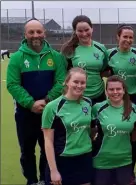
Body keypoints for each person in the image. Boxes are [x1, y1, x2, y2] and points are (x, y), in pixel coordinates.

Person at [6, 18, 66, 185]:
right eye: (31, 32)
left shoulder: (56, 57)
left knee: (48, 148)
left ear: (44, 33)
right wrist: (31, 103)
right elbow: (12, 84)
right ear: (25, 34)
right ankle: (32, 181)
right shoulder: (17, 58)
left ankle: (44, 179)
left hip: (50, 112)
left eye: (38, 31)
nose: (35, 35)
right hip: (25, 113)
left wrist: (47, 101)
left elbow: (61, 82)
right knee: (27, 151)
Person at [91, 75, 136, 185]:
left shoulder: (133, 108)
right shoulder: (97, 108)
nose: (115, 92)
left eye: (118, 89)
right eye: (111, 89)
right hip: (102, 161)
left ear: (124, 90)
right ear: (106, 91)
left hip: (124, 161)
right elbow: (90, 132)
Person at [42, 67, 92, 185]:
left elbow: (91, 130)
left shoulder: (88, 103)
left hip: (84, 158)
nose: (79, 85)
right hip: (62, 160)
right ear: (66, 82)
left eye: (82, 83)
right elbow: (48, 140)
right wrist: (53, 171)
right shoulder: (52, 107)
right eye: (75, 82)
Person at [107, 24, 136, 184]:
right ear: (118, 37)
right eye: (125, 36)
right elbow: (104, 72)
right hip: (115, 97)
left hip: (134, 97)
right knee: (114, 133)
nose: (128, 40)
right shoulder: (110, 54)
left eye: (130, 37)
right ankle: (111, 169)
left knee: (133, 135)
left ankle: (130, 172)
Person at [61, 15, 109, 105]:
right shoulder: (68, 49)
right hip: (77, 96)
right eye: (80, 31)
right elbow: (64, 74)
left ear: (92, 29)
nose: (84, 34)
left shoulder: (101, 48)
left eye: (87, 30)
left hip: (99, 95)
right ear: (75, 31)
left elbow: (105, 70)